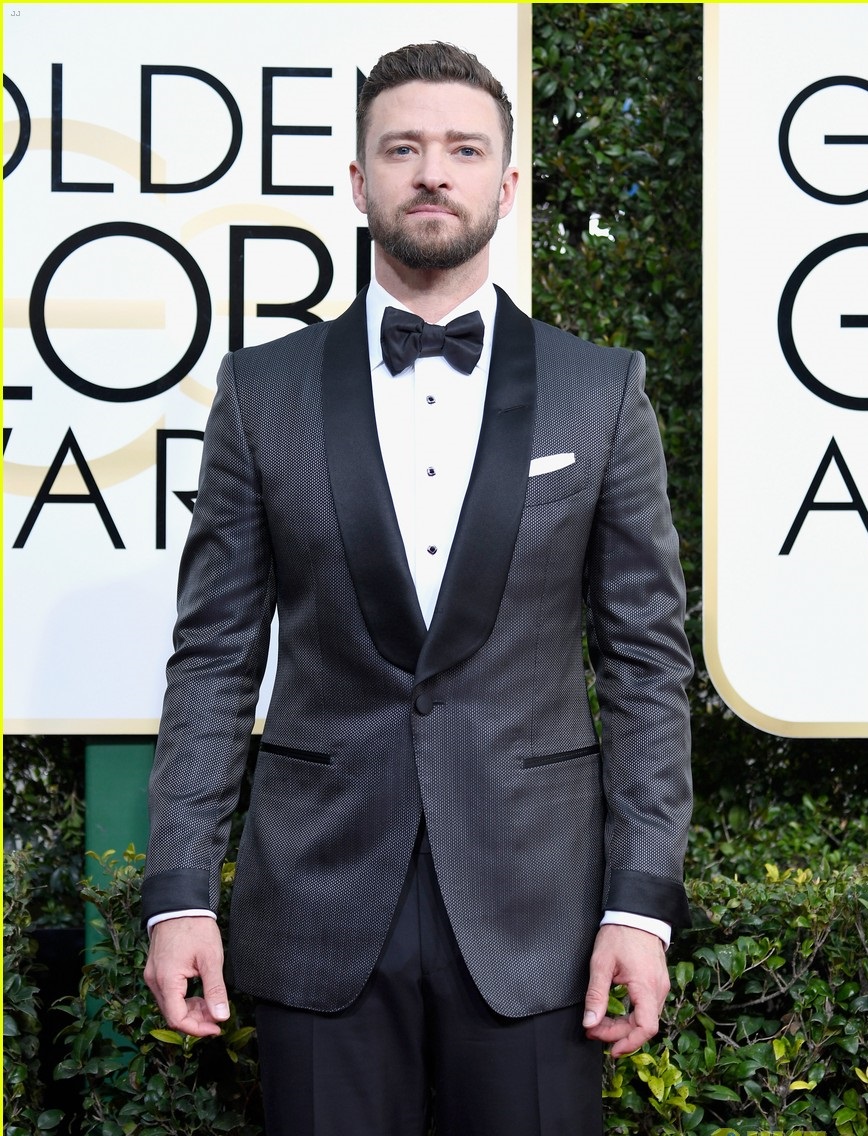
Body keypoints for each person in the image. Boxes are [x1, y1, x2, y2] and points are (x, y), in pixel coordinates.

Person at [143, 41, 693, 1136]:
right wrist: (180, 891)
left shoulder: (600, 390)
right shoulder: (261, 392)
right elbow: (213, 659)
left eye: (463, 150)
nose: (432, 172)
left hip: (538, 917)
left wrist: (641, 903)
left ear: (508, 183)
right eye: (402, 148)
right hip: (318, 902)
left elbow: (645, 662)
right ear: (360, 182)